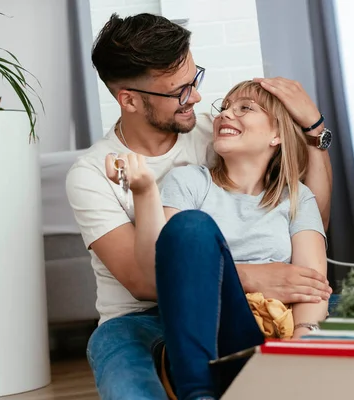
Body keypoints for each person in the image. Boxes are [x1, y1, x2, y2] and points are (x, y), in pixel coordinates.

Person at [65, 12, 333, 400]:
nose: (196, 98)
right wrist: (256, 277)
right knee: (132, 392)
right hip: (140, 319)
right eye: (179, 90)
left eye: (195, 79)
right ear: (130, 100)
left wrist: (314, 128)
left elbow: (308, 217)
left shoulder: (218, 133)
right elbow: (144, 282)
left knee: (350, 320)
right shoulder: (92, 173)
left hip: (252, 306)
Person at [105, 80, 328, 400]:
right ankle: (197, 393)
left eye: (244, 108)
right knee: (191, 227)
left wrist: (303, 340)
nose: (225, 115)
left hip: (266, 336)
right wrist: (144, 190)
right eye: (224, 107)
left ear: (276, 135)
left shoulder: (296, 198)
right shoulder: (189, 181)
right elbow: (165, 264)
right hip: (205, 333)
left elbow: (312, 283)